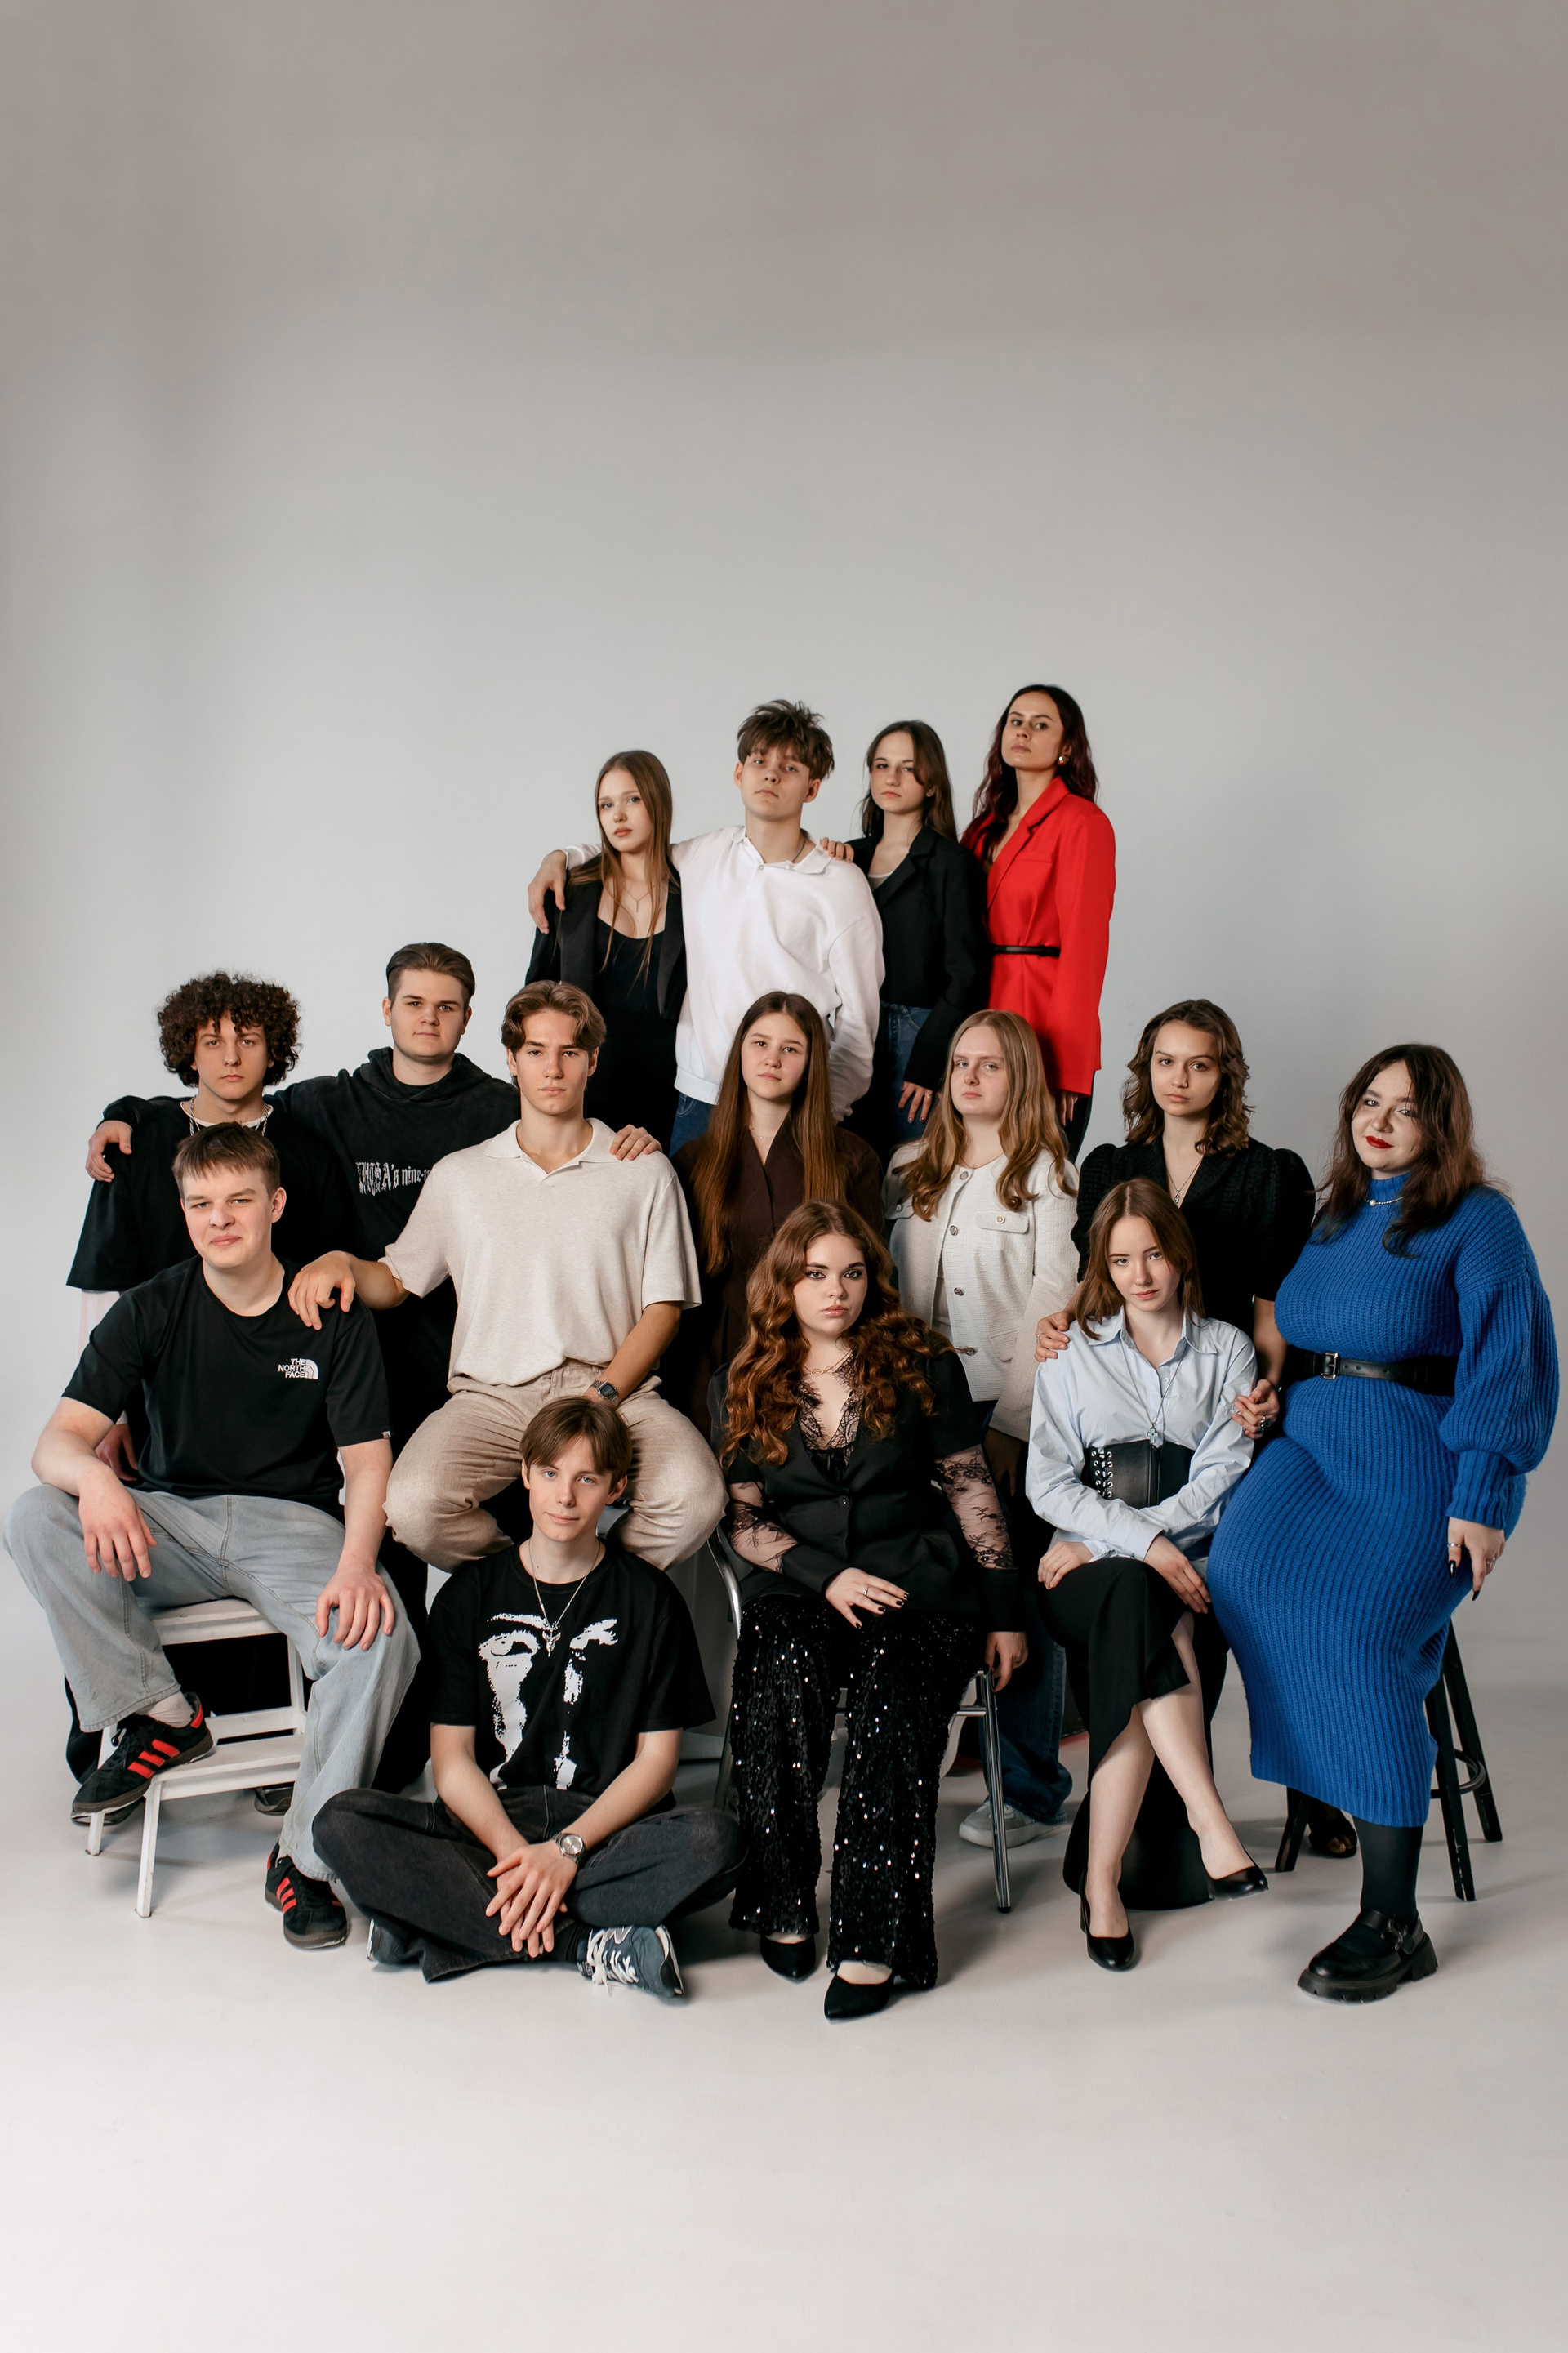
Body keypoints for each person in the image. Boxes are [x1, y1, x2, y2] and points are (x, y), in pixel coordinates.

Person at [83, 946, 519, 1790]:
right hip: (259, 1381)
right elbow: (198, 1126)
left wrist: (630, 1136)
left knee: (413, 1558)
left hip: (448, 1365)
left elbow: (564, 1120)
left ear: (468, 1017)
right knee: (369, 1557)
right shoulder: (326, 1102)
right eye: (414, 1002)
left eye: (446, 1005)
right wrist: (122, 1111)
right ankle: (258, 1741)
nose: (232, 1055)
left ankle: (417, 1752)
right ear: (386, 1009)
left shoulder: (484, 1108)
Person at [4, 1125, 416, 1950]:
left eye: (238, 1200)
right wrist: (97, 1481)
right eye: (200, 1204)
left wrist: (358, 1564)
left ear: (276, 1204)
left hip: (292, 1526)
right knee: (34, 1515)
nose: (219, 1218)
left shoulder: (327, 1311)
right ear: (184, 1210)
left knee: (383, 1638)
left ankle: (303, 1859)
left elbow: (368, 1463)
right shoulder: (151, 1305)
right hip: (171, 1522)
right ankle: (159, 1711)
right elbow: (56, 1443)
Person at [1206, 1046, 1558, 2003]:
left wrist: (1484, 1495)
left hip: (1415, 1465)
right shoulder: (1335, 1215)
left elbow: (1512, 1363)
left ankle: (1395, 1919)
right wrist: (1270, 1395)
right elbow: (1310, 1340)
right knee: (1235, 1574)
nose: (1381, 1121)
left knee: (1360, 1633)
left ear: (1440, 1125)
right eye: (1370, 1101)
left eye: (1406, 1109)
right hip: (1308, 1448)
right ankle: (1331, 1782)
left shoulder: (1477, 1220)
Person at [1036, 996, 1349, 1856]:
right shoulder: (1111, 1163)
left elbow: (1270, 1310)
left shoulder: (1269, 1173)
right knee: (1165, 1600)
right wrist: (1062, 1324)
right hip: (1138, 1413)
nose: (1180, 1079)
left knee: (1269, 1600)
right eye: (1165, 1062)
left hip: (1233, 1399)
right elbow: (1098, 1278)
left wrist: (1267, 1391)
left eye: (1200, 1064)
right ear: (1145, 1070)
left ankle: (1315, 1787)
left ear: (1226, 1075)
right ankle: (1168, 1820)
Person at [287, 980, 725, 1574]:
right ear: (512, 1060)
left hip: (613, 1390)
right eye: (536, 1051)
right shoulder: (462, 1175)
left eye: (569, 1052)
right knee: (414, 1506)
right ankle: (523, 1588)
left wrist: (602, 1397)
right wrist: (342, 1261)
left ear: (593, 1061)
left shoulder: (641, 1170)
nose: (553, 1068)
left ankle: (595, 1588)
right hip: (493, 1397)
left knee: (695, 1498)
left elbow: (664, 1310)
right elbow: (396, 1279)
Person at [314, 1397, 745, 1996]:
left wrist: (566, 1851)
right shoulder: (468, 1594)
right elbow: (452, 1762)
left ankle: (438, 1924)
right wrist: (519, 1853)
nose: (564, 1496)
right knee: (340, 1824)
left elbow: (656, 1764)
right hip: (493, 1823)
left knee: (718, 1842)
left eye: (586, 1479)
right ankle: (586, 1944)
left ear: (616, 1487)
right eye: (549, 1473)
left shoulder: (651, 1599)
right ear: (524, 1474)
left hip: (605, 1827)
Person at [711, 1201, 1026, 2020]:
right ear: (785, 1283)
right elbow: (744, 1519)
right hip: (803, 1583)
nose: (836, 1290)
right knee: (778, 1666)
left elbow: (972, 1493)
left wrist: (1004, 1613)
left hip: (916, 1584)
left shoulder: (922, 1362)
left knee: (892, 1702)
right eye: (816, 1273)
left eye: (852, 1272)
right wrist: (825, 1576)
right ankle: (782, 1899)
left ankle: (872, 1938)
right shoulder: (745, 1378)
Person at [64, 969, 357, 1782]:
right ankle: (129, 1723)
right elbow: (105, 1280)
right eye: (212, 1040)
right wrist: (108, 1415)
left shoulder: (302, 1143)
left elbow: (329, 1276)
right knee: (113, 1535)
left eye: (248, 1040)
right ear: (186, 1050)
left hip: (271, 1391)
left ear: (274, 1050)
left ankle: (269, 1749)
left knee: (264, 1539)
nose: (231, 1056)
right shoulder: (141, 1138)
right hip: (155, 1389)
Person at [1026, 1179, 1264, 1969]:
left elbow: (1223, 1472)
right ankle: (1210, 1820)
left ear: (1179, 1255)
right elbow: (1048, 1484)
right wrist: (1143, 1548)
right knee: (1138, 1594)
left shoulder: (1228, 1348)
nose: (1140, 1274)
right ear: (1103, 1265)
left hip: (1161, 1561)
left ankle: (1101, 1886)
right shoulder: (1071, 1349)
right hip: (1082, 1571)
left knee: (1139, 1609)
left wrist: (1132, 1544)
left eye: (1154, 1254)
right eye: (1122, 1260)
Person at [885, 1010, 1078, 1851]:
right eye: (960, 1062)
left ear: (1020, 1077)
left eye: (989, 1065)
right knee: (930, 1583)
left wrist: (1010, 1425)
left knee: (1021, 1594)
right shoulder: (909, 1169)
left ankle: (1028, 1787)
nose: (968, 1076)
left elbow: (1053, 1303)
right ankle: (911, 1761)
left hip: (1005, 1410)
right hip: (916, 1412)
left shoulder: (1049, 1178)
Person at [527, 698, 884, 1148]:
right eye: (760, 762)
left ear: (811, 788)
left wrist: (824, 1112)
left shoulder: (842, 884)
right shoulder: (705, 855)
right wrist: (561, 856)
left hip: (792, 1104)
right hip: (700, 1097)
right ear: (739, 774)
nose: (771, 776)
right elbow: (633, 844)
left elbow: (859, 1023)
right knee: (682, 1197)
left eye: (789, 767)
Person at [667, 991, 884, 1438]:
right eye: (760, 1043)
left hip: (814, 1365)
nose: (772, 1059)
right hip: (708, 1364)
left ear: (811, 1063)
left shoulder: (851, 1159)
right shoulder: (693, 1161)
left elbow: (871, 1286)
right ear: (740, 1053)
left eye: (791, 1049)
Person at [960, 684, 1116, 1163]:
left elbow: (1086, 949)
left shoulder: (1082, 822)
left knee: (1037, 1177)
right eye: (1016, 720)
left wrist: (1068, 1068)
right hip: (977, 1016)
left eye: (1040, 724)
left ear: (1066, 746)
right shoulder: (982, 829)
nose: (1023, 731)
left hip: (1042, 1022)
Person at [841, 721, 991, 1162]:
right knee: (851, 1164)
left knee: (912, 1168)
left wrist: (929, 1060)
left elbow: (967, 974)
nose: (892, 777)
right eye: (882, 765)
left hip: (917, 1032)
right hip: (851, 1028)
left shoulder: (952, 863)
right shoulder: (847, 857)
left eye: (908, 768)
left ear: (932, 784)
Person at [525, 751, 685, 1147]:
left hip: (671, 1092)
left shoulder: (694, 893)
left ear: (658, 801)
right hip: (583, 1088)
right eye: (606, 805)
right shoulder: (569, 891)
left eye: (633, 799)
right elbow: (535, 999)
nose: (618, 816)